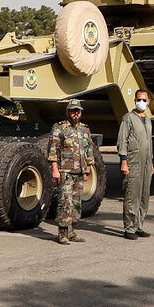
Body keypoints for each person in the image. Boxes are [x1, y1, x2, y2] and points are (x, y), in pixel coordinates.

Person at [47, 99, 94, 244]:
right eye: (73, 110)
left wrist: (88, 169)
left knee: (76, 203)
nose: (75, 113)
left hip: (79, 172)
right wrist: (55, 170)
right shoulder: (59, 129)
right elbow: (52, 151)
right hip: (65, 172)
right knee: (64, 202)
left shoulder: (85, 130)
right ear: (67, 112)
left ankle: (72, 231)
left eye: (78, 111)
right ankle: (62, 233)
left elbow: (89, 151)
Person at [117, 89, 154, 240]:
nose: (141, 102)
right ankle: (129, 228)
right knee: (132, 195)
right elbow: (122, 140)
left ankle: (139, 226)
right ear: (135, 101)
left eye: (144, 100)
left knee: (144, 195)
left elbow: (149, 143)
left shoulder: (148, 119)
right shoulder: (128, 118)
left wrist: (150, 163)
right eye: (139, 99)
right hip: (133, 161)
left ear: (148, 102)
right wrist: (124, 161)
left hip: (146, 162)